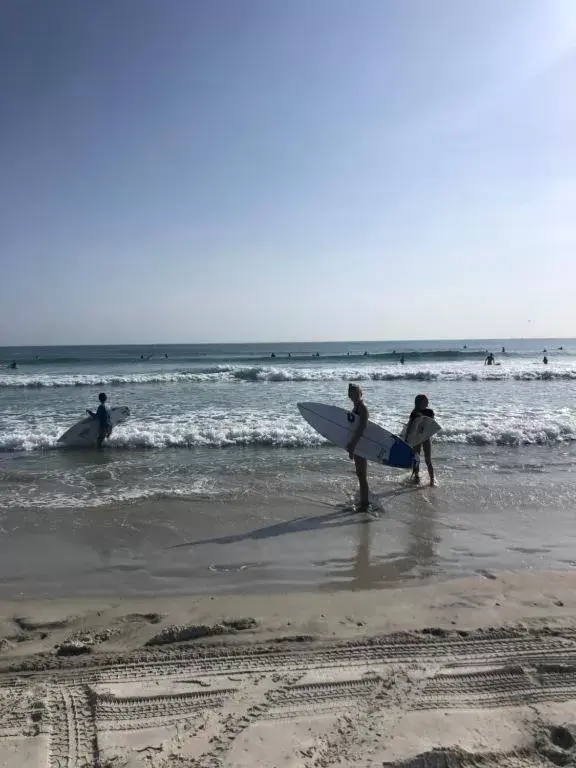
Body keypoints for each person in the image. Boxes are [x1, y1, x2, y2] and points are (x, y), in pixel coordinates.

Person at [346, 383, 369, 510]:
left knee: (362, 475)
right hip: (357, 444)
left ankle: (365, 504)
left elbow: (362, 428)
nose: (352, 395)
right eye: (350, 393)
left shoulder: (362, 408)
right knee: (360, 474)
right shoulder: (356, 408)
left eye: (355, 392)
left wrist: (353, 444)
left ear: (360, 393)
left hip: (360, 444)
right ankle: (363, 501)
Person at [407, 394, 436, 486]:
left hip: (426, 438)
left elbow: (432, 424)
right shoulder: (414, 412)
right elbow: (410, 426)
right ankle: (416, 477)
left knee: (428, 459)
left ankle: (432, 480)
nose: (428, 402)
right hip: (416, 438)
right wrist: (407, 438)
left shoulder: (430, 412)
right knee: (416, 458)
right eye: (426, 400)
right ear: (420, 402)